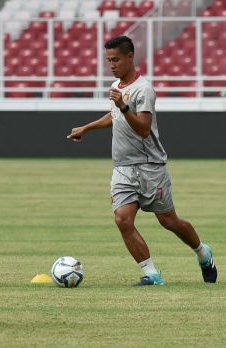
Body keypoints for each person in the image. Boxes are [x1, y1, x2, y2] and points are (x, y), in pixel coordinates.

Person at [67, 35, 217, 286]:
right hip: (123, 168)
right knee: (122, 219)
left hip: (150, 167)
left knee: (169, 221)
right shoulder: (118, 87)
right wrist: (87, 127)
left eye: (115, 59)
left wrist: (124, 107)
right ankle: (151, 274)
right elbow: (115, 115)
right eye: (108, 60)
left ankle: (203, 252)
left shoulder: (144, 89)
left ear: (129, 57)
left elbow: (144, 128)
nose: (112, 65)